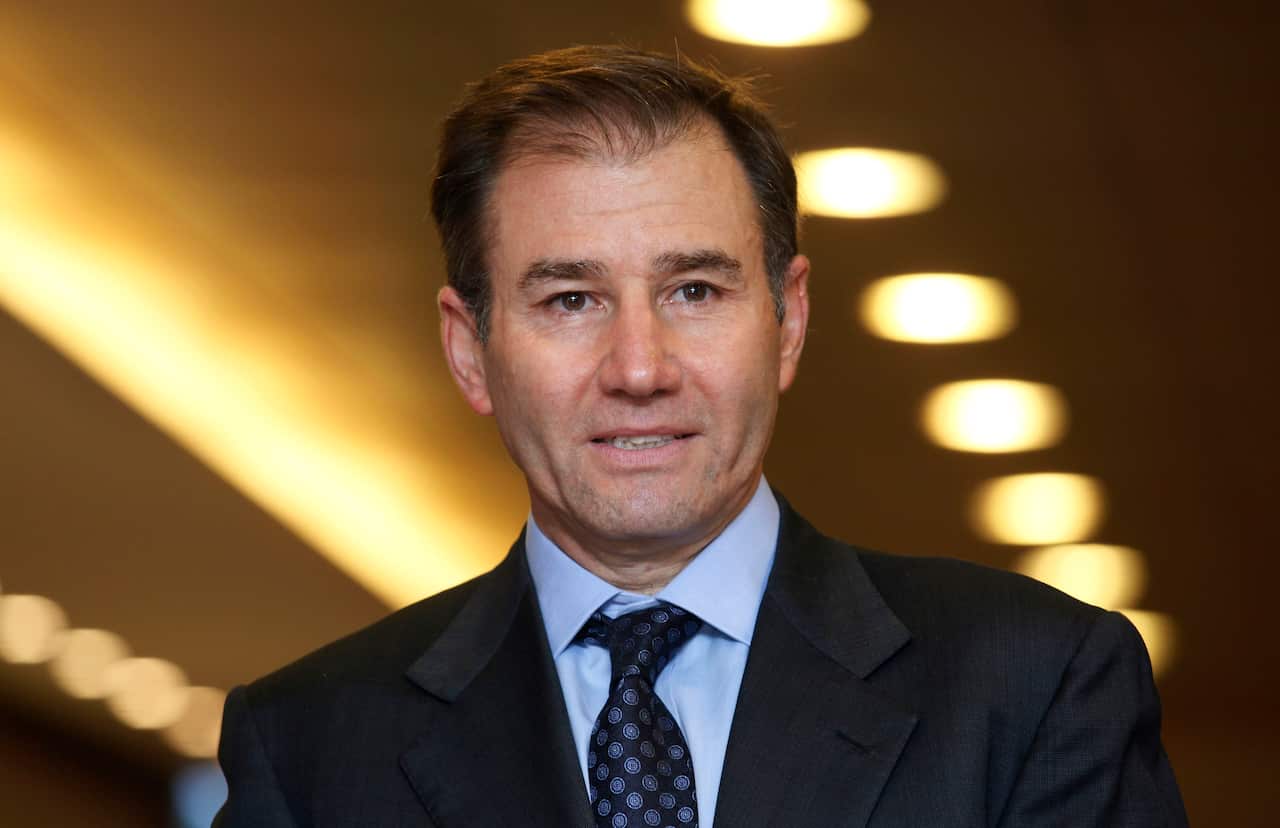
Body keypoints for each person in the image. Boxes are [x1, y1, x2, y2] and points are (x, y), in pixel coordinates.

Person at [214, 45, 1188, 827]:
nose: (639, 368)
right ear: (470, 352)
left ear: (788, 323)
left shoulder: (1032, 685)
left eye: (693, 291)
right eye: (568, 298)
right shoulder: (308, 746)